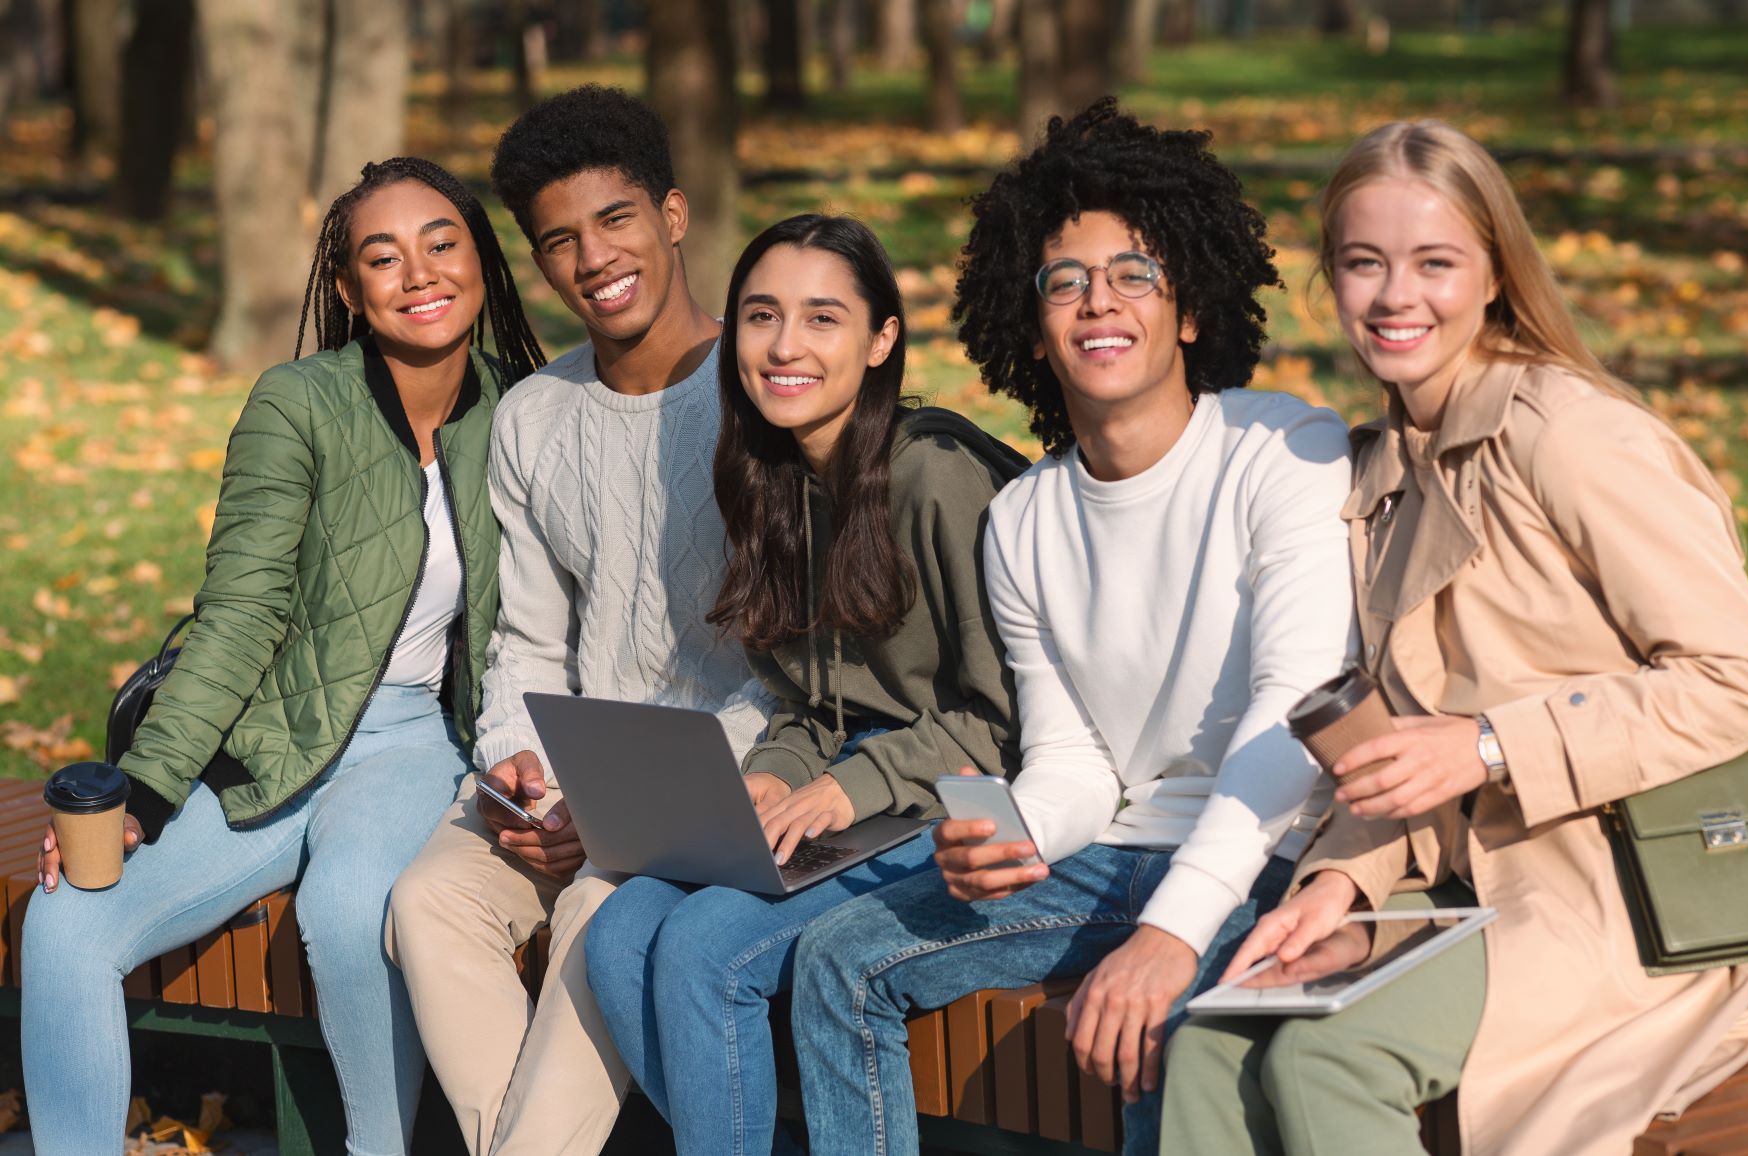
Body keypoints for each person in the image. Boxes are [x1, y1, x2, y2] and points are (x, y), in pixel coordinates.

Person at [1160, 119, 1748, 1156]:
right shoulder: (1376, 470)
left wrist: (1492, 743)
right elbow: (1398, 756)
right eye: (1363, 263)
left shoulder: (1572, 436)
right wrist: (1335, 883)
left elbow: (1737, 681)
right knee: (1213, 1040)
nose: (1394, 295)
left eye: (1434, 263)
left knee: (1327, 1057)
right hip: (1458, 884)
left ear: (1495, 273)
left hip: (1621, 887)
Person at [786, 98, 1357, 1155]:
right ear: (1033, 323)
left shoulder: (1280, 450)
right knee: (834, 959)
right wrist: (1011, 836)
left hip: (1270, 856)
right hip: (1114, 853)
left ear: (1188, 309)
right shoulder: (1023, 519)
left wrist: (1168, 935)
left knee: (1161, 1038)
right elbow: (1072, 759)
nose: (1100, 301)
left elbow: (1289, 728)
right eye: (1066, 280)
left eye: (1134, 273)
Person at [22, 157, 544, 1156]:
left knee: (353, 910)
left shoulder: (520, 409)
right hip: (267, 740)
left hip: (408, 746)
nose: (420, 273)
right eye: (382, 258)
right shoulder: (298, 403)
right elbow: (237, 614)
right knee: (64, 925)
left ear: (480, 259)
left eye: (443, 243)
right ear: (348, 292)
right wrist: (145, 787)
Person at [582, 213, 1025, 1156]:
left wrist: (846, 787)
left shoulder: (935, 477)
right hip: (859, 795)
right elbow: (806, 699)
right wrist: (775, 773)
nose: (784, 346)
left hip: (967, 803)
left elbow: (1004, 720)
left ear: (880, 341)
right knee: (620, 938)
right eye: (760, 315)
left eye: (822, 319)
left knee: (704, 951)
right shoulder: (770, 477)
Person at [383, 85, 773, 1156]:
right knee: (425, 901)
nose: (592, 258)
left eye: (615, 221)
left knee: (601, 924)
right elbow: (530, 641)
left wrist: (613, 812)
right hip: (561, 783)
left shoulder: (763, 398)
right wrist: (518, 764)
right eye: (558, 241)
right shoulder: (534, 416)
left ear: (674, 216)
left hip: (711, 793)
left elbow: (780, 676)